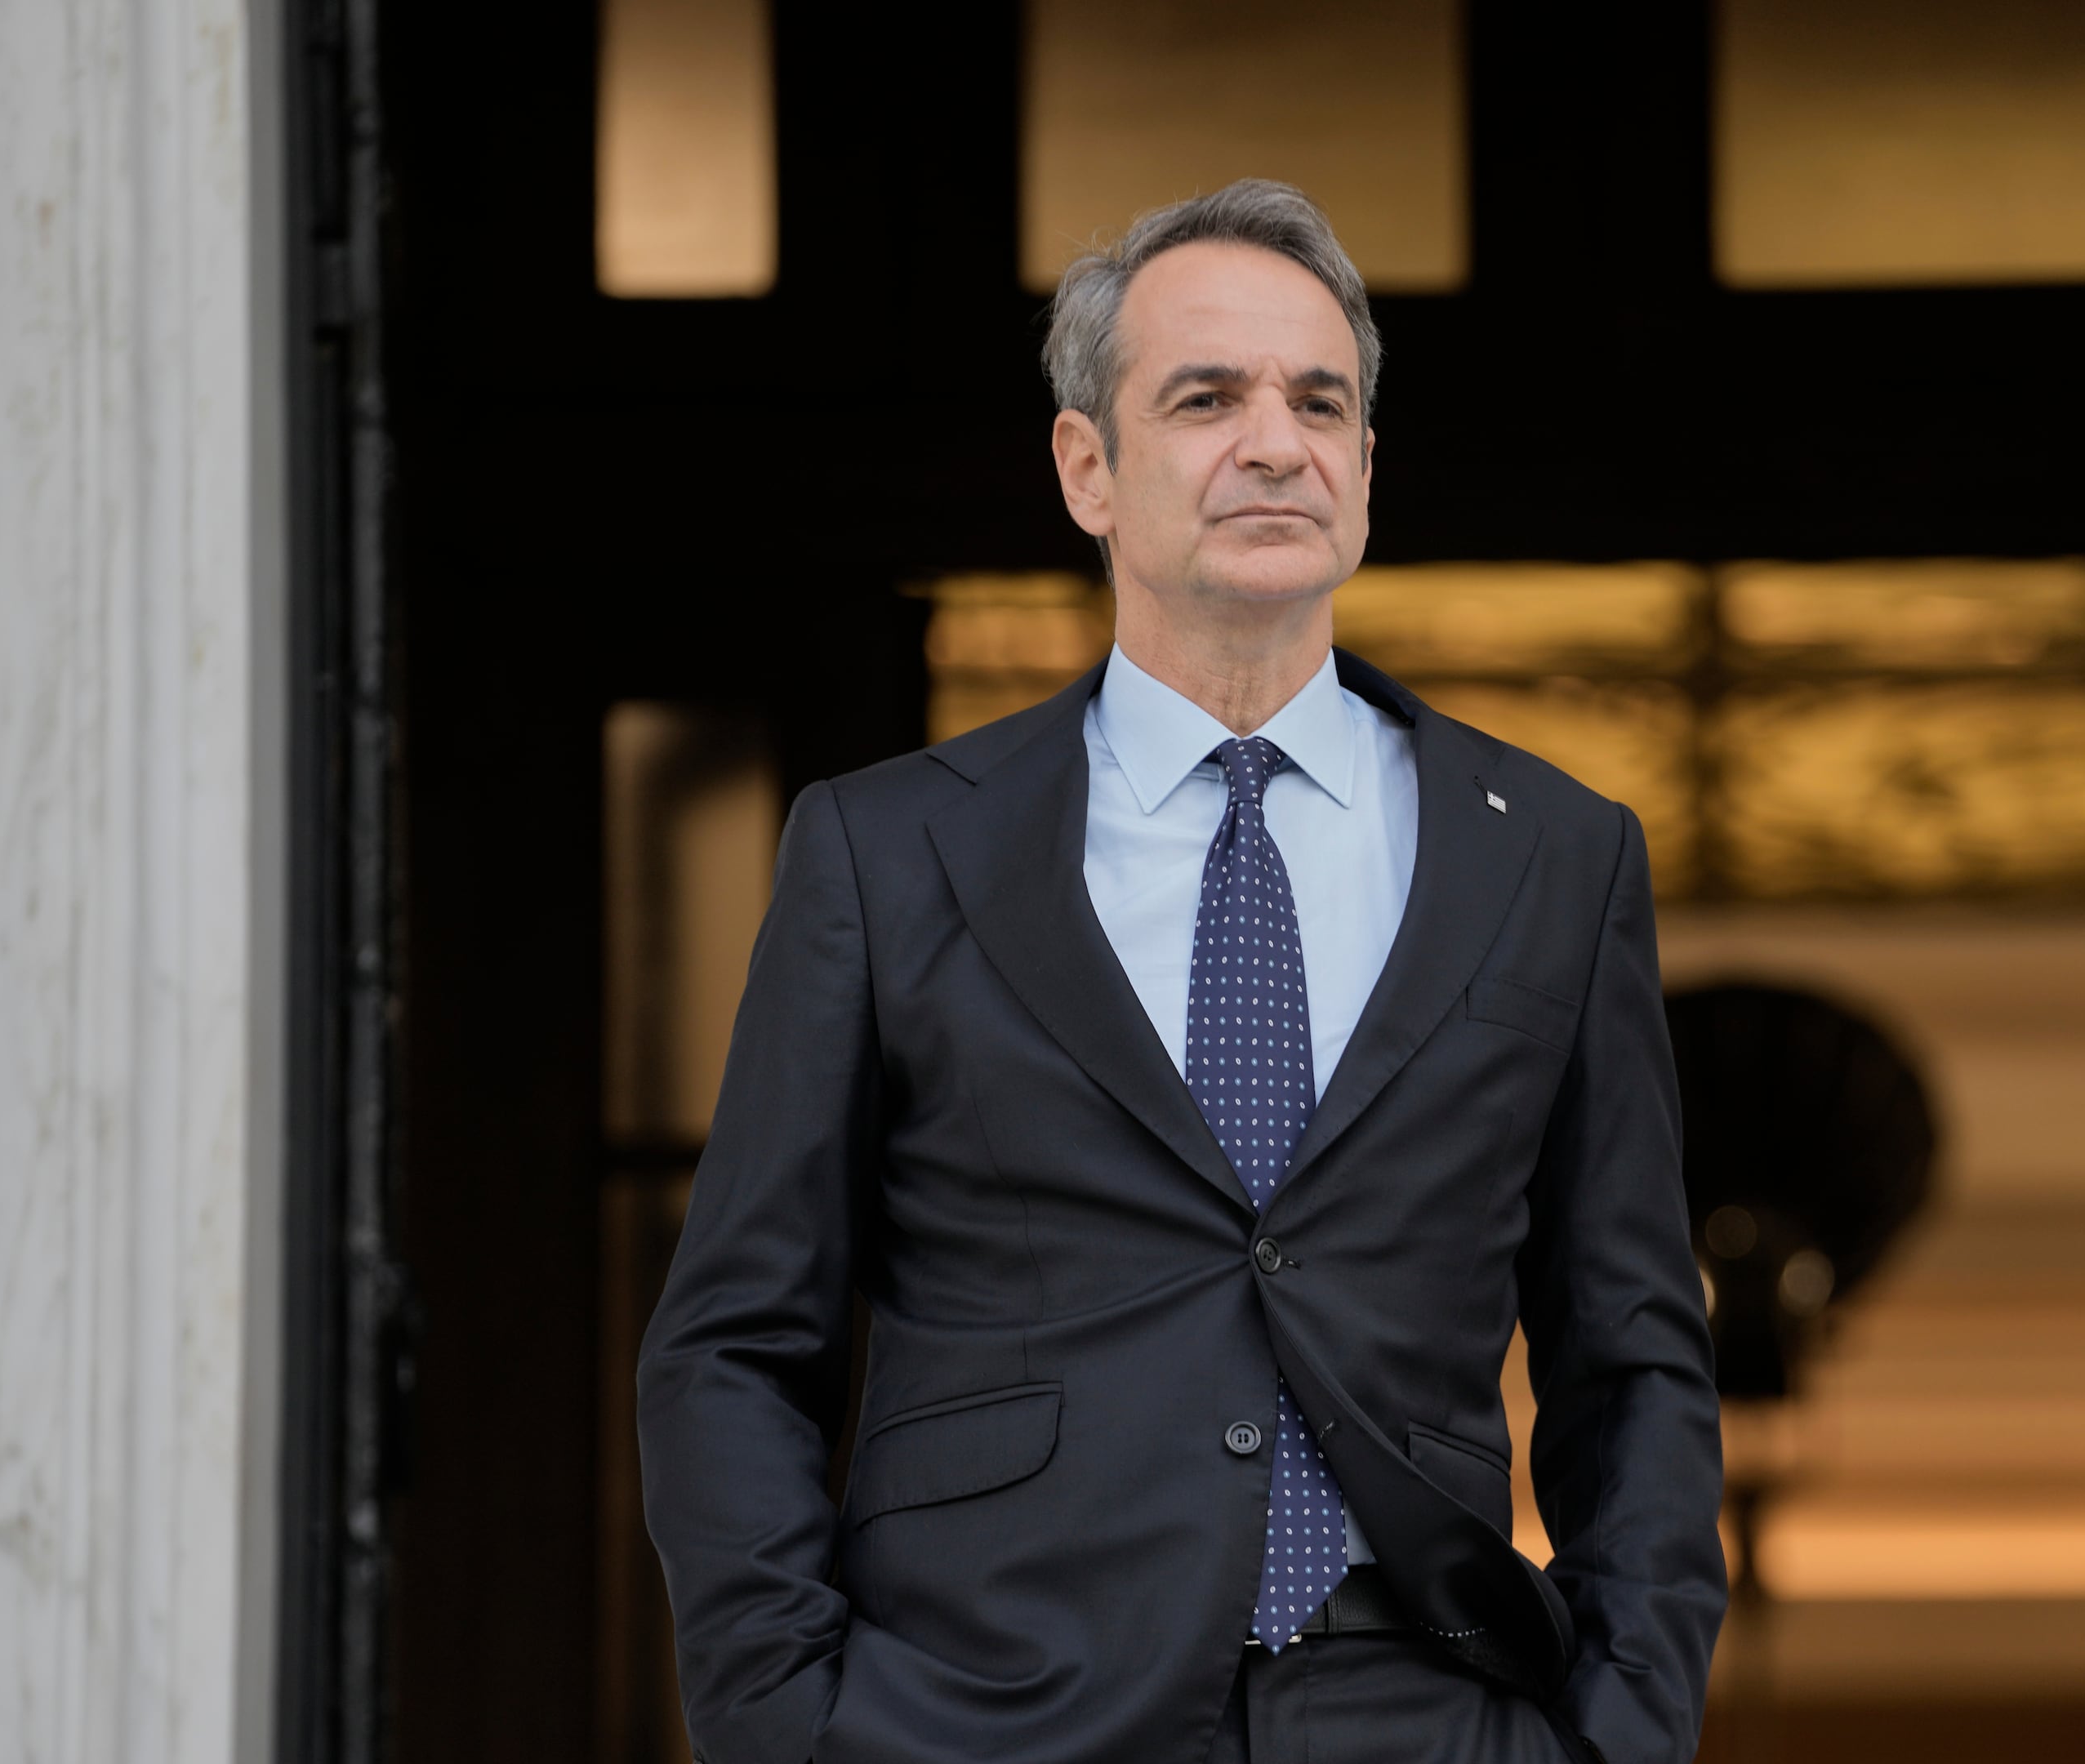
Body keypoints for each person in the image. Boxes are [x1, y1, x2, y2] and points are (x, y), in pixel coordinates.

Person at [635, 179, 1726, 1764]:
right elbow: (737, 1341)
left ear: (1363, 468)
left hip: (1423, 1710)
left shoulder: (1554, 856)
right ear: (1090, 466)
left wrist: (1619, 1733)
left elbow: (1629, 1355)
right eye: (1206, 398)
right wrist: (793, 1726)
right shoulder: (889, 853)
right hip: (985, 1714)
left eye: (1320, 402)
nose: (1274, 442)